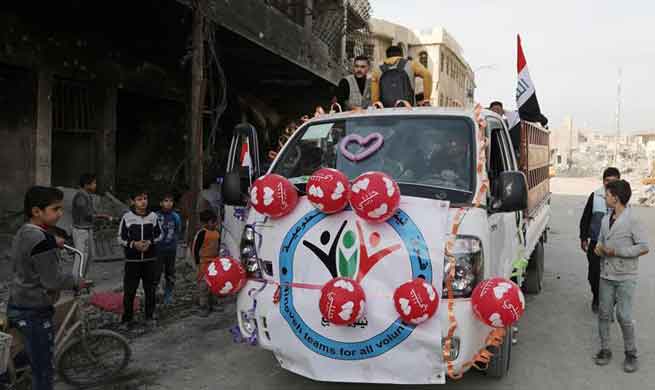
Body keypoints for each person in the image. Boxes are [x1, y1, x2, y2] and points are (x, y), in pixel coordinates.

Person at [7, 186, 82, 390]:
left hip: (17, 300)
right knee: (43, 369)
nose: (60, 213)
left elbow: (33, 246)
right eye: (55, 209)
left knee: (25, 354)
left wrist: (52, 240)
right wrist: (76, 280)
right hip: (34, 309)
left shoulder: (25, 231)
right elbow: (53, 281)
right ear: (36, 211)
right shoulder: (41, 241)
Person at [593, 180, 649, 372]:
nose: (605, 197)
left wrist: (616, 251)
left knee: (624, 316)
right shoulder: (604, 219)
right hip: (606, 274)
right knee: (604, 313)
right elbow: (601, 241)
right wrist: (598, 248)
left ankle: (631, 354)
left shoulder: (632, 219)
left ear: (615, 197)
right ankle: (605, 349)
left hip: (626, 276)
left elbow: (643, 247)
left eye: (607, 195)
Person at [117, 189, 162, 329]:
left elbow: (160, 235)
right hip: (132, 262)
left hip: (150, 260)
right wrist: (133, 244)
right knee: (130, 291)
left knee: (150, 290)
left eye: (145, 198)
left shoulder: (153, 217)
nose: (143, 202)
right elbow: (120, 238)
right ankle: (127, 319)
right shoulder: (127, 217)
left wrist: (150, 242)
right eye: (139, 199)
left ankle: (149, 317)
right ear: (133, 202)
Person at [579, 167, 620, 313]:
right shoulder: (595, 196)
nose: (609, 184)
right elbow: (585, 218)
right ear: (603, 181)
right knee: (594, 275)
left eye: (613, 182)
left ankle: (609, 304)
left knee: (613, 276)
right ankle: (597, 298)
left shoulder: (623, 199)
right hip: (596, 243)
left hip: (614, 246)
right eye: (607, 181)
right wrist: (583, 238)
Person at [71, 173, 112, 267]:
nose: (95, 185)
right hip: (81, 229)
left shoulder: (86, 195)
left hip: (86, 228)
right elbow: (85, 214)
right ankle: (77, 279)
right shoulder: (81, 196)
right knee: (81, 255)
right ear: (86, 184)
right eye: (93, 183)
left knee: (88, 255)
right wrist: (102, 216)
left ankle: (82, 278)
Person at [192, 209, 220, 317]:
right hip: (203, 263)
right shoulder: (202, 233)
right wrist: (197, 263)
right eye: (212, 222)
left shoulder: (217, 232)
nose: (214, 224)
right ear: (205, 223)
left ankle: (214, 303)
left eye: (215, 222)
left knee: (215, 283)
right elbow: (195, 249)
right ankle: (203, 306)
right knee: (203, 285)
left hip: (215, 262)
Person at [156, 193, 181, 305]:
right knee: (156, 272)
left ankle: (168, 294)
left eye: (171, 201)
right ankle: (156, 293)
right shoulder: (155, 216)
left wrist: (173, 242)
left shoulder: (175, 216)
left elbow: (178, 230)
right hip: (158, 249)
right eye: (166, 201)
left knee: (170, 272)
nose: (168, 203)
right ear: (161, 203)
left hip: (171, 249)